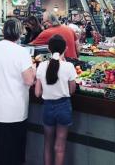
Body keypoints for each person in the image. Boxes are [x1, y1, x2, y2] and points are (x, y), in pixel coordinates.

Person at [0, 18, 36, 165]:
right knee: (12, 151)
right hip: (13, 110)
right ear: (19, 33)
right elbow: (29, 80)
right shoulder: (21, 52)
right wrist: (34, 70)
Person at [35, 35, 76, 165]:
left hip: (48, 107)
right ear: (66, 48)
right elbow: (72, 90)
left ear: (48, 49)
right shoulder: (69, 66)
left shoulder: (41, 66)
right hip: (63, 107)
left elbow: (37, 93)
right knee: (60, 146)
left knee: (47, 144)